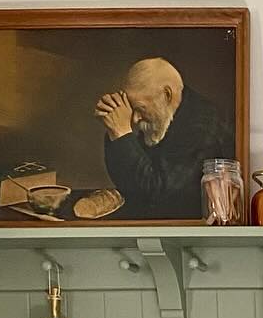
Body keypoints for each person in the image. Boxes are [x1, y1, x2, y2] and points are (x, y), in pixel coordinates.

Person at [93, 57, 232, 220]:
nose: (135, 119)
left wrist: (122, 132)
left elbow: (158, 194)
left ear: (166, 95)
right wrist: (114, 132)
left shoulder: (203, 123)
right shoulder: (160, 118)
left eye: (140, 108)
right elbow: (130, 185)